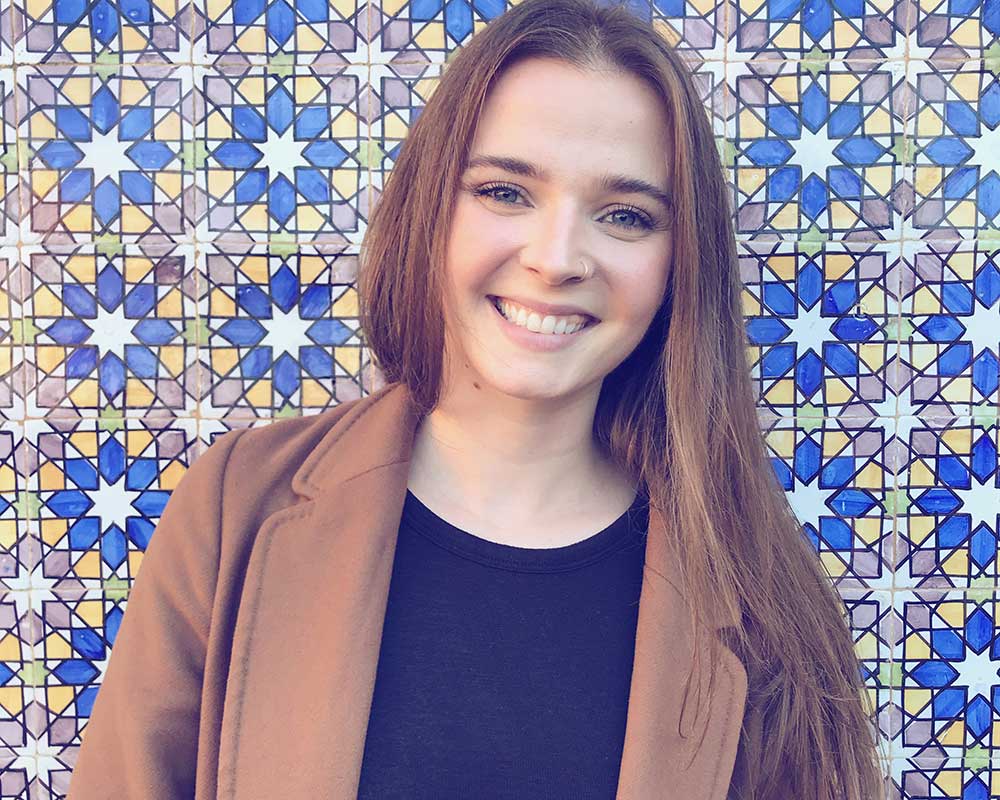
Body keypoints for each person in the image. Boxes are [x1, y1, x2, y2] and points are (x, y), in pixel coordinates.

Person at [67, 0, 885, 797]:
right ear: (431, 207)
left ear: (680, 264)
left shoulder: (759, 592)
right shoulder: (236, 503)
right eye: (505, 192)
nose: (558, 257)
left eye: (627, 214)